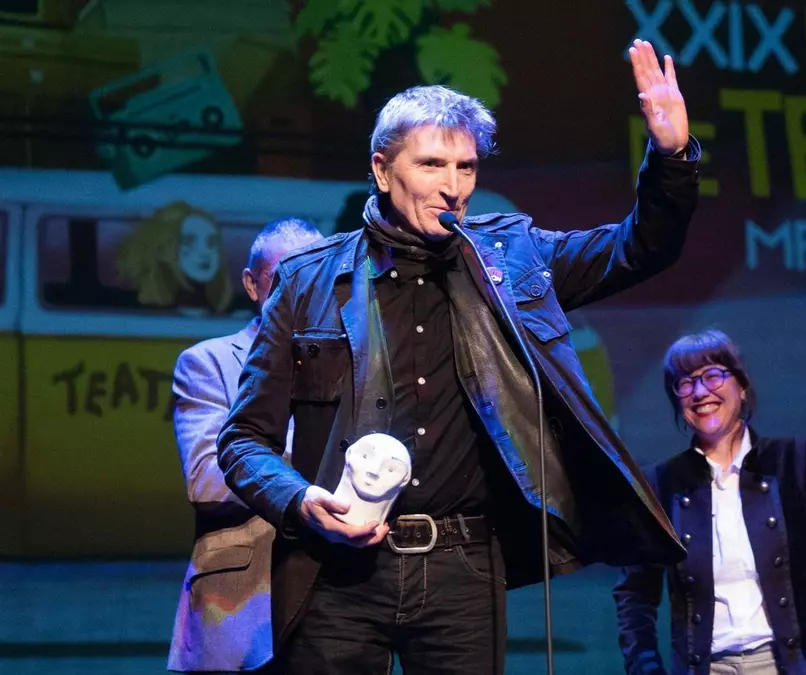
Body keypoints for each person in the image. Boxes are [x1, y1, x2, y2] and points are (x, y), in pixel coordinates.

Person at [217, 39, 699, 674]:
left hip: (463, 567)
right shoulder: (307, 280)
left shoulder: (511, 258)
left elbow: (637, 249)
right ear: (382, 170)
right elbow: (242, 440)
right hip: (335, 572)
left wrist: (670, 158)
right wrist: (301, 501)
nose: (452, 187)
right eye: (432, 165)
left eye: (466, 168)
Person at [613, 329, 806, 675]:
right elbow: (634, 596)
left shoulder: (795, 461)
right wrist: (645, 669)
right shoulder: (661, 484)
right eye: (685, 383)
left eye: (712, 375)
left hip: (793, 665)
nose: (700, 392)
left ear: (742, 386)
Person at [168, 218, 324, 673]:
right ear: (252, 286)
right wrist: (321, 456)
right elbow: (206, 480)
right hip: (242, 608)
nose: (301, 296)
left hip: (337, 606)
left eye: (315, 280)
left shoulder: (356, 365)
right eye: (284, 281)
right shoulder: (208, 363)